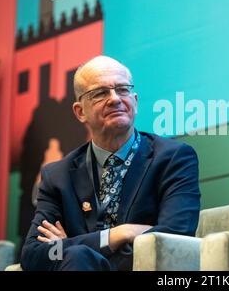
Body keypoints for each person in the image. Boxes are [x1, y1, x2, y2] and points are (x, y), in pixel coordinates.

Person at [21, 55, 201, 271]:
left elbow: (174, 238)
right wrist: (118, 234)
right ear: (80, 112)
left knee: (77, 255)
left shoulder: (173, 158)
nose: (115, 99)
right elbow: (34, 254)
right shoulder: (57, 176)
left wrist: (71, 245)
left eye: (122, 89)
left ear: (134, 100)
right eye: (100, 93)